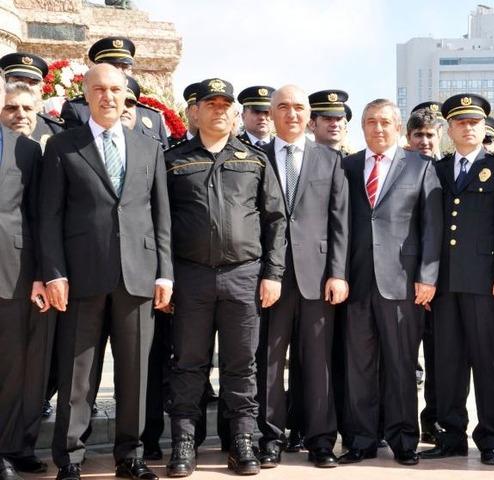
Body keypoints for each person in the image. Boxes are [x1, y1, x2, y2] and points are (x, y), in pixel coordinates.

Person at [39, 63, 173, 480]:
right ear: (86, 95)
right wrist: (55, 272)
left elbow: (161, 216)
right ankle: (70, 459)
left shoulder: (148, 147)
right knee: (78, 373)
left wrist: (164, 273)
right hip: (81, 277)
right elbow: (49, 217)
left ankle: (130, 456)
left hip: (138, 275)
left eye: (116, 90)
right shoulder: (63, 147)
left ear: (126, 97)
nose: (108, 97)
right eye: (99, 89)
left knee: (135, 373)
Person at [162, 78, 286, 477]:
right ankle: (184, 441)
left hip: (243, 277)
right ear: (194, 112)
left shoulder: (254, 160)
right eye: (209, 104)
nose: (218, 110)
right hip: (191, 277)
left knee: (241, 366)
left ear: (235, 112)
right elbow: (159, 225)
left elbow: (275, 220)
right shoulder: (174, 160)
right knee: (188, 364)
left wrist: (273, 273)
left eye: (224, 104)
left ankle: (242, 441)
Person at [339, 98, 442, 466]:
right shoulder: (347, 167)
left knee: (401, 365)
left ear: (398, 127)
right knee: (360, 365)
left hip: (402, 283)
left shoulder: (420, 166)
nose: (378, 128)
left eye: (385, 122)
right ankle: (362, 439)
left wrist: (427, 277)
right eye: (371, 122)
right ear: (362, 127)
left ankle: (404, 440)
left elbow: (432, 227)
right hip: (357, 282)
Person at [417, 93, 494, 466]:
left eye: (474, 122)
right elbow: (428, 228)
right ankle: (451, 435)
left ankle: (491, 436)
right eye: (460, 122)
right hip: (444, 283)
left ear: (483, 127)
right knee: (448, 362)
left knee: (487, 363)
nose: (468, 127)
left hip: (484, 283)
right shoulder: (436, 170)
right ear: (449, 128)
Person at [255, 85, 349, 469]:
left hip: (318, 276)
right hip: (270, 277)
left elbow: (341, 220)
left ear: (308, 116)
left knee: (317, 362)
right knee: (270, 362)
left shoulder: (330, 160)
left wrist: (338, 273)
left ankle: (321, 440)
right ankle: (270, 439)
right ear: (272, 114)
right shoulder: (256, 158)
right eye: (283, 107)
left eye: (298, 108)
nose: (291, 114)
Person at [0, 86, 51, 480]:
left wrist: (41, 272)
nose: (18, 113)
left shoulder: (29, 151)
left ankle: (13, 447)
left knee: (17, 366)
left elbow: (41, 217)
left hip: (15, 271)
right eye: (10, 106)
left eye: (24, 107)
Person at [405, 103, 444, 445]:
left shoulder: (446, 170)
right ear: (408, 137)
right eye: (419, 135)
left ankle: (433, 420)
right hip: (406, 283)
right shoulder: (399, 169)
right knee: (403, 358)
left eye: (431, 135)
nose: (425, 141)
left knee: (439, 359)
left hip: (442, 286)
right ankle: (402, 422)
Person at [61, 37, 169, 147]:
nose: (119, 72)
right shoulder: (77, 109)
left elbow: (162, 160)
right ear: (97, 68)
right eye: (112, 66)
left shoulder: (152, 117)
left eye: (125, 67)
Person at [0, 52, 65, 146]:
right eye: (18, 81)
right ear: (5, 84)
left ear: (41, 89)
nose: (25, 87)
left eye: (32, 82)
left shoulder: (53, 128)